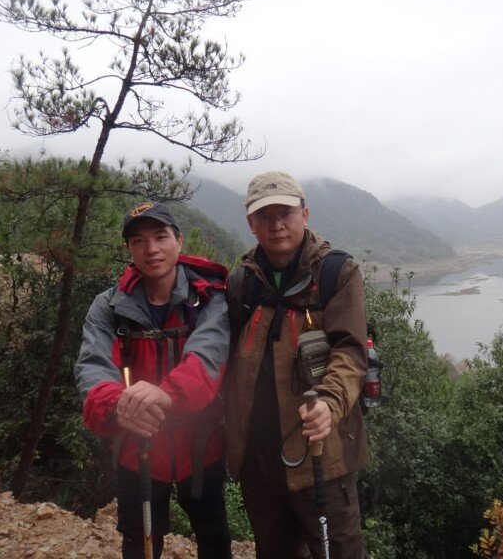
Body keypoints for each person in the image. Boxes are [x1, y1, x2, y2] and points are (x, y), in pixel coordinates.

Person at [75, 201, 232, 559]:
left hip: (201, 443)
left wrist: (162, 394)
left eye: (160, 237)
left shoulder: (208, 299)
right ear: (129, 250)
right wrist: (117, 407)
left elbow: (208, 357)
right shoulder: (109, 307)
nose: (151, 249)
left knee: (213, 535)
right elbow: (94, 367)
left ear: (179, 241)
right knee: (140, 541)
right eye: (139, 241)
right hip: (137, 445)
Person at [224, 171, 369, 559]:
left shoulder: (335, 273)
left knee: (339, 551)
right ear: (251, 223)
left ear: (305, 214)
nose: (276, 225)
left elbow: (351, 351)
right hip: (259, 461)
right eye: (265, 216)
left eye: (285, 213)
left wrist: (330, 403)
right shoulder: (242, 283)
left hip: (322, 454)